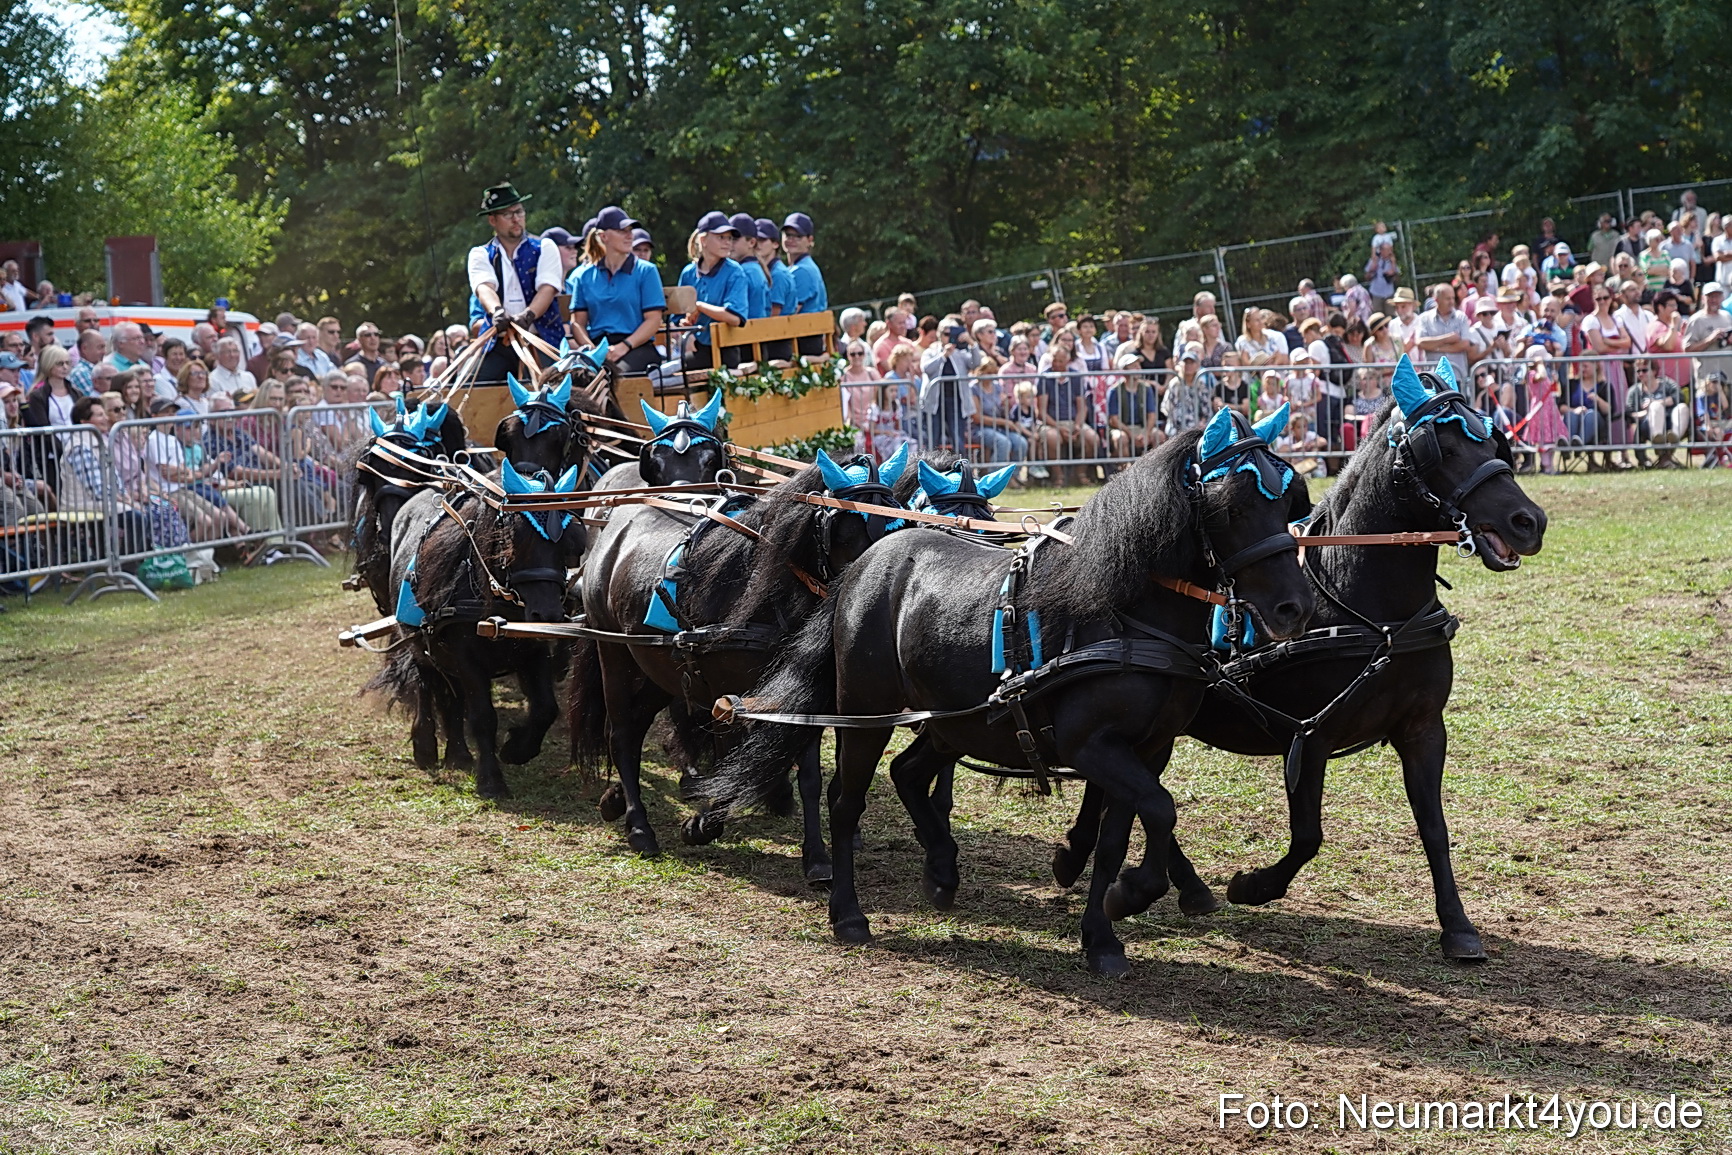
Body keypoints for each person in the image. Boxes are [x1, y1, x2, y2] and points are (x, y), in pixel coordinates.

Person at [467, 181, 564, 385]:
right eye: (508, 215)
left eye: (519, 212)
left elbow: (547, 288)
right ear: (492, 220)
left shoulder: (545, 247)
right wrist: (497, 312)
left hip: (542, 339)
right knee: (470, 386)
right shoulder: (480, 254)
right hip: (498, 343)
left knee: (560, 390)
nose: (516, 219)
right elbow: (484, 287)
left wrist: (528, 316)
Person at [566, 204, 666, 376]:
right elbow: (577, 323)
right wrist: (593, 351)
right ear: (603, 236)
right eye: (622, 231)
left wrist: (623, 347)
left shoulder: (646, 271)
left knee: (615, 377)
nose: (629, 236)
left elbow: (653, 321)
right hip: (597, 347)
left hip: (637, 346)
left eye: (630, 230)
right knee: (573, 379)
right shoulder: (585, 276)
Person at [676, 211, 752, 371]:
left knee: (670, 374)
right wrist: (683, 334)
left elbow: (735, 318)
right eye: (721, 237)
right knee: (660, 375)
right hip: (695, 348)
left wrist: (699, 306)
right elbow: (676, 317)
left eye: (730, 238)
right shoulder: (688, 273)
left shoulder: (735, 272)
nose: (727, 243)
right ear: (703, 240)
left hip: (724, 352)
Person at [1036, 327, 1098, 481]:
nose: (1057, 364)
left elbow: (1081, 406)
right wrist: (1059, 428)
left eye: (1061, 361)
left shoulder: (1076, 377)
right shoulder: (1045, 378)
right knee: (1052, 437)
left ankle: (1080, 473)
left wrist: (1077, 426)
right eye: (1055, 360)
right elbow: (1041, 411)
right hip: (1051, 423)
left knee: (1092, 438)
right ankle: (1058, 476)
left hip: (1072, 421)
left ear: (1068, 360)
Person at [920, 316, 981, 452]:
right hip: (935, 402)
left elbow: (976, 363)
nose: (949, 337)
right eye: (946, 334)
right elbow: (926, 369)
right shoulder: (930, 352)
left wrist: (971, 343)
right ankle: (929, 469)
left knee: (957, 438)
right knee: (933, 439)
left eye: (952, 334)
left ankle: (962, 470)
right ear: (939, 335)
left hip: (956, 401)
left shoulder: (960, 353)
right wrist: (943, 356)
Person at [782, 212, 828, 358]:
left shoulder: (802, 270)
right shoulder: (800, 267)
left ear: (809, 240)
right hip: (806, 339)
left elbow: (790, 311)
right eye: (788, 234)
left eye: (798, 236)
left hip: (805, 343)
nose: (791, 239)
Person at [1626, 359, 1688, 467]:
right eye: (1638, 371)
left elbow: (1680, 397)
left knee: (1682, 407)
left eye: (1644, 370)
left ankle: (1674, 438)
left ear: (1654, 371)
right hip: (1647, 425)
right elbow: (1629, 412)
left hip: (1671, 423)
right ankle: (1658, 440)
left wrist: (1659, 402)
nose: (1640, 374)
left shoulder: (1667, 383)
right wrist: (1646, 412)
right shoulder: (1634, 391)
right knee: (1655, 407)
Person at [1103, 369, 1160, 459]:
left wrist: (1146, 433)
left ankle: (1155, 470)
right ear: (1124, 371)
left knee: (1158, 435)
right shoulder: (1114, 390)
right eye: (1133, 366)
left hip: (1141, 428)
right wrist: (1131, 435)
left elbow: (1152, 415)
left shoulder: (1146, 388)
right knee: (1121, 438)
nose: (1137, 368)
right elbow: (1114, 420)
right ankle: (1125, 470)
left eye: (1138, 366)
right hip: (1122, 429)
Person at [1684, 282, 1732, 384]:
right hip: (1707, 380)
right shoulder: (1696, 320)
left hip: (1728, 376)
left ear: (1722, 298)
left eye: (1717, 296)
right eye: (1710, 296)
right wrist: (1710, 339)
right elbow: (1688, 349)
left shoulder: (1727, 316)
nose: (1714, 300)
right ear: (1703, 298)